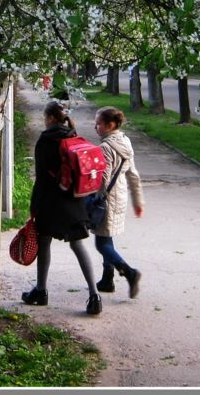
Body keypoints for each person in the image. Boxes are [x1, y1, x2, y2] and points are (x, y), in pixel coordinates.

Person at [22, 101, 102, 315]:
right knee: (78, 245)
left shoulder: (46, 140)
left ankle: (41, 291)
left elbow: (41, 178)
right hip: (74, 200)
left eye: (44, 118)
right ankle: (94, 295)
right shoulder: (73, 136)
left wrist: (34, 206)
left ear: (50, 118)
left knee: (44, 243)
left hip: (50, 202)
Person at [91, 106, 145, 297]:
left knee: (101, 244)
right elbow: (133, 174)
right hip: (119, 196)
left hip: (107, 199)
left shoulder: (105, 148)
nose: (95, 126)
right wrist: (138, 201)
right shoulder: (125, 141)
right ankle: (107, 280)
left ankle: (130, 273)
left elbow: (103, 180)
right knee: (107, 237)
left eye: (98, 123)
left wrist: (93, 197)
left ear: (110, 125)